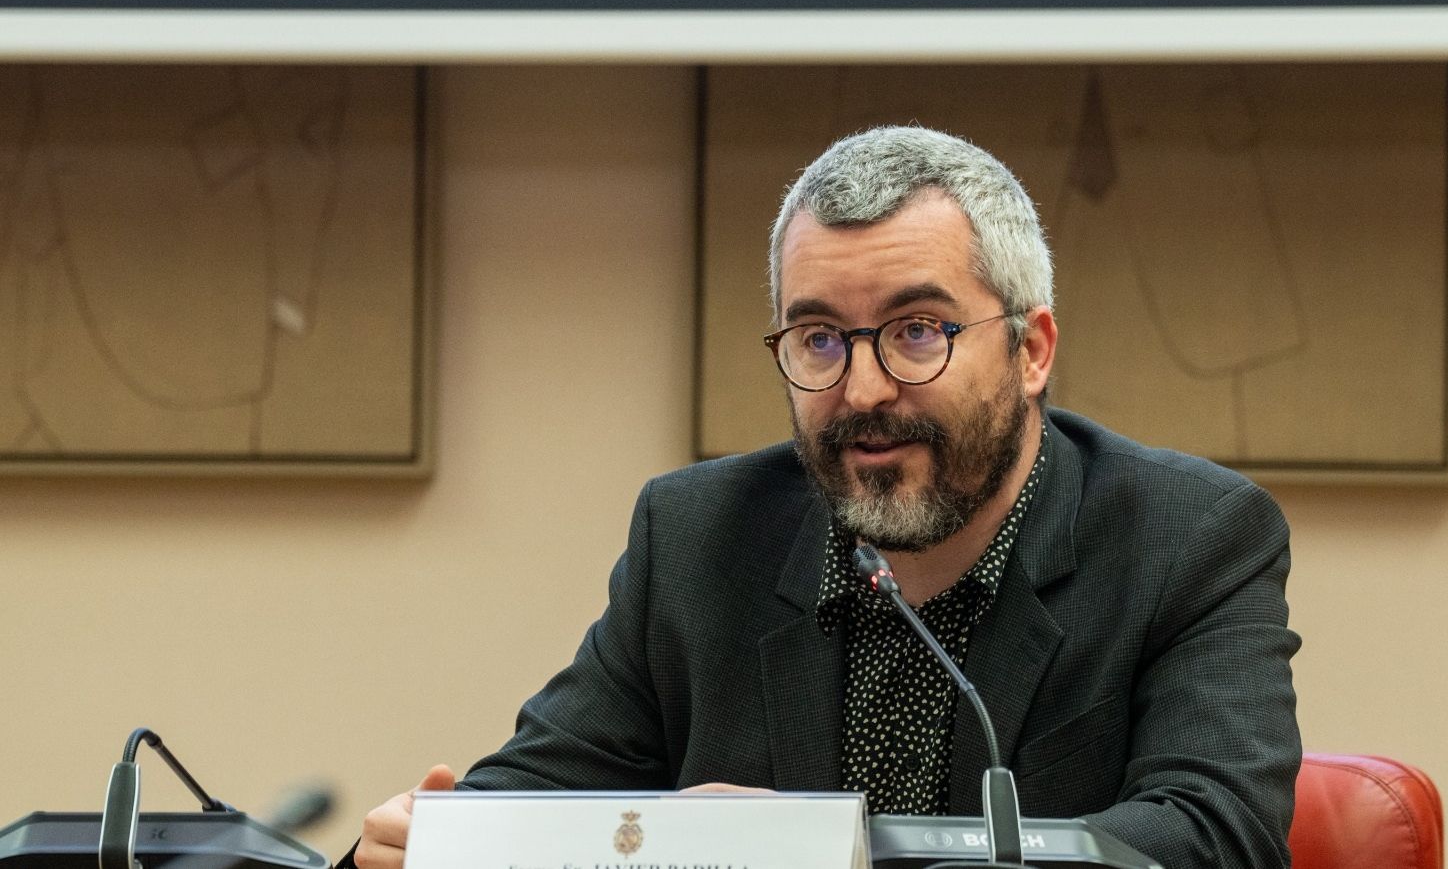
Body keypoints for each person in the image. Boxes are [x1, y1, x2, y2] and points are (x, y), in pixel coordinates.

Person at [346, 127, 1300, 869]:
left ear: (1032, 348)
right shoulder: (697, 537)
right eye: (818, 339)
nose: (864, 389)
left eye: (917, 331)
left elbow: (1209, 837)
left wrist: (830, 850)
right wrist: (429, 844)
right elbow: (544, 801)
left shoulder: (1189, 538)